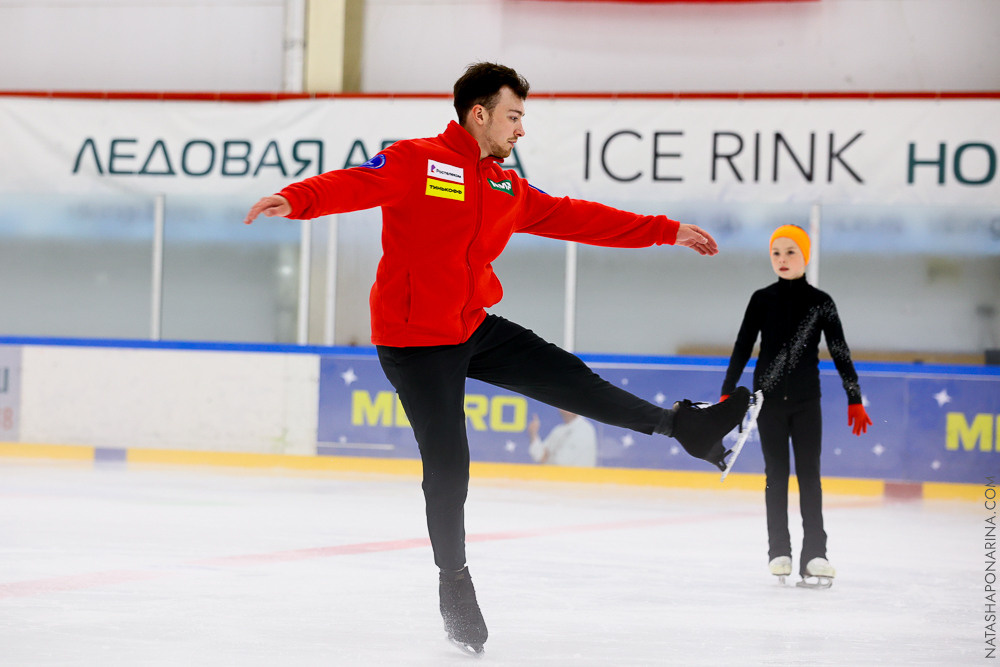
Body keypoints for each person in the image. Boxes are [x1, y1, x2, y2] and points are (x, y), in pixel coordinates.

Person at [245, 62, 751, 653]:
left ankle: (684, 426)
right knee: (449, 464)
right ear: (478, 113)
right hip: (414, 342)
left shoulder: (505, 185)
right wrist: (295, 199)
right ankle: (453, 581)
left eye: (522, 118)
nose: (520, 129)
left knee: (569, 377)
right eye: (513, 116)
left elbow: (577, 217)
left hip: (471, 326)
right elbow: (355, 183)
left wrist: (665, 230)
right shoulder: (416, 160)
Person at [720, 224, 872, 588]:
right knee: (776, 478)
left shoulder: (821, 302)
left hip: (807, 403)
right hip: (768, 403)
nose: (783, 259)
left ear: (805, 256)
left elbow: (840, 352)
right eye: (776, 253)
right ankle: (779, 553)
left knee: (810, 479)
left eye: (791, 252)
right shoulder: (761, 299)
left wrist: (854, 398)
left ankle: (815, 555)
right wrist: (728, 391)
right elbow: (743, 346)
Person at [527, 409, 598, 467]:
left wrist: (547, 458)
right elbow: (541, 456)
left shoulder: (584, 429)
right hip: (554, 479)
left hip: (577, 481)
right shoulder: (558, 430)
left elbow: (561, 462)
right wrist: (533, 434)